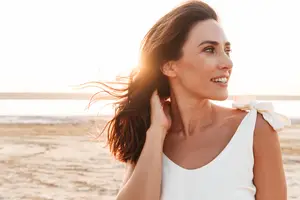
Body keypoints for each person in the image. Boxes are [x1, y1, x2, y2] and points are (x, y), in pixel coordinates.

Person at [89, 1, 291, 199]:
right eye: (210, 50)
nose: (227, 63)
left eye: (226, 50)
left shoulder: (255, 129)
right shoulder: (150, 135)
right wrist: (156, 133)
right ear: (169, 66)